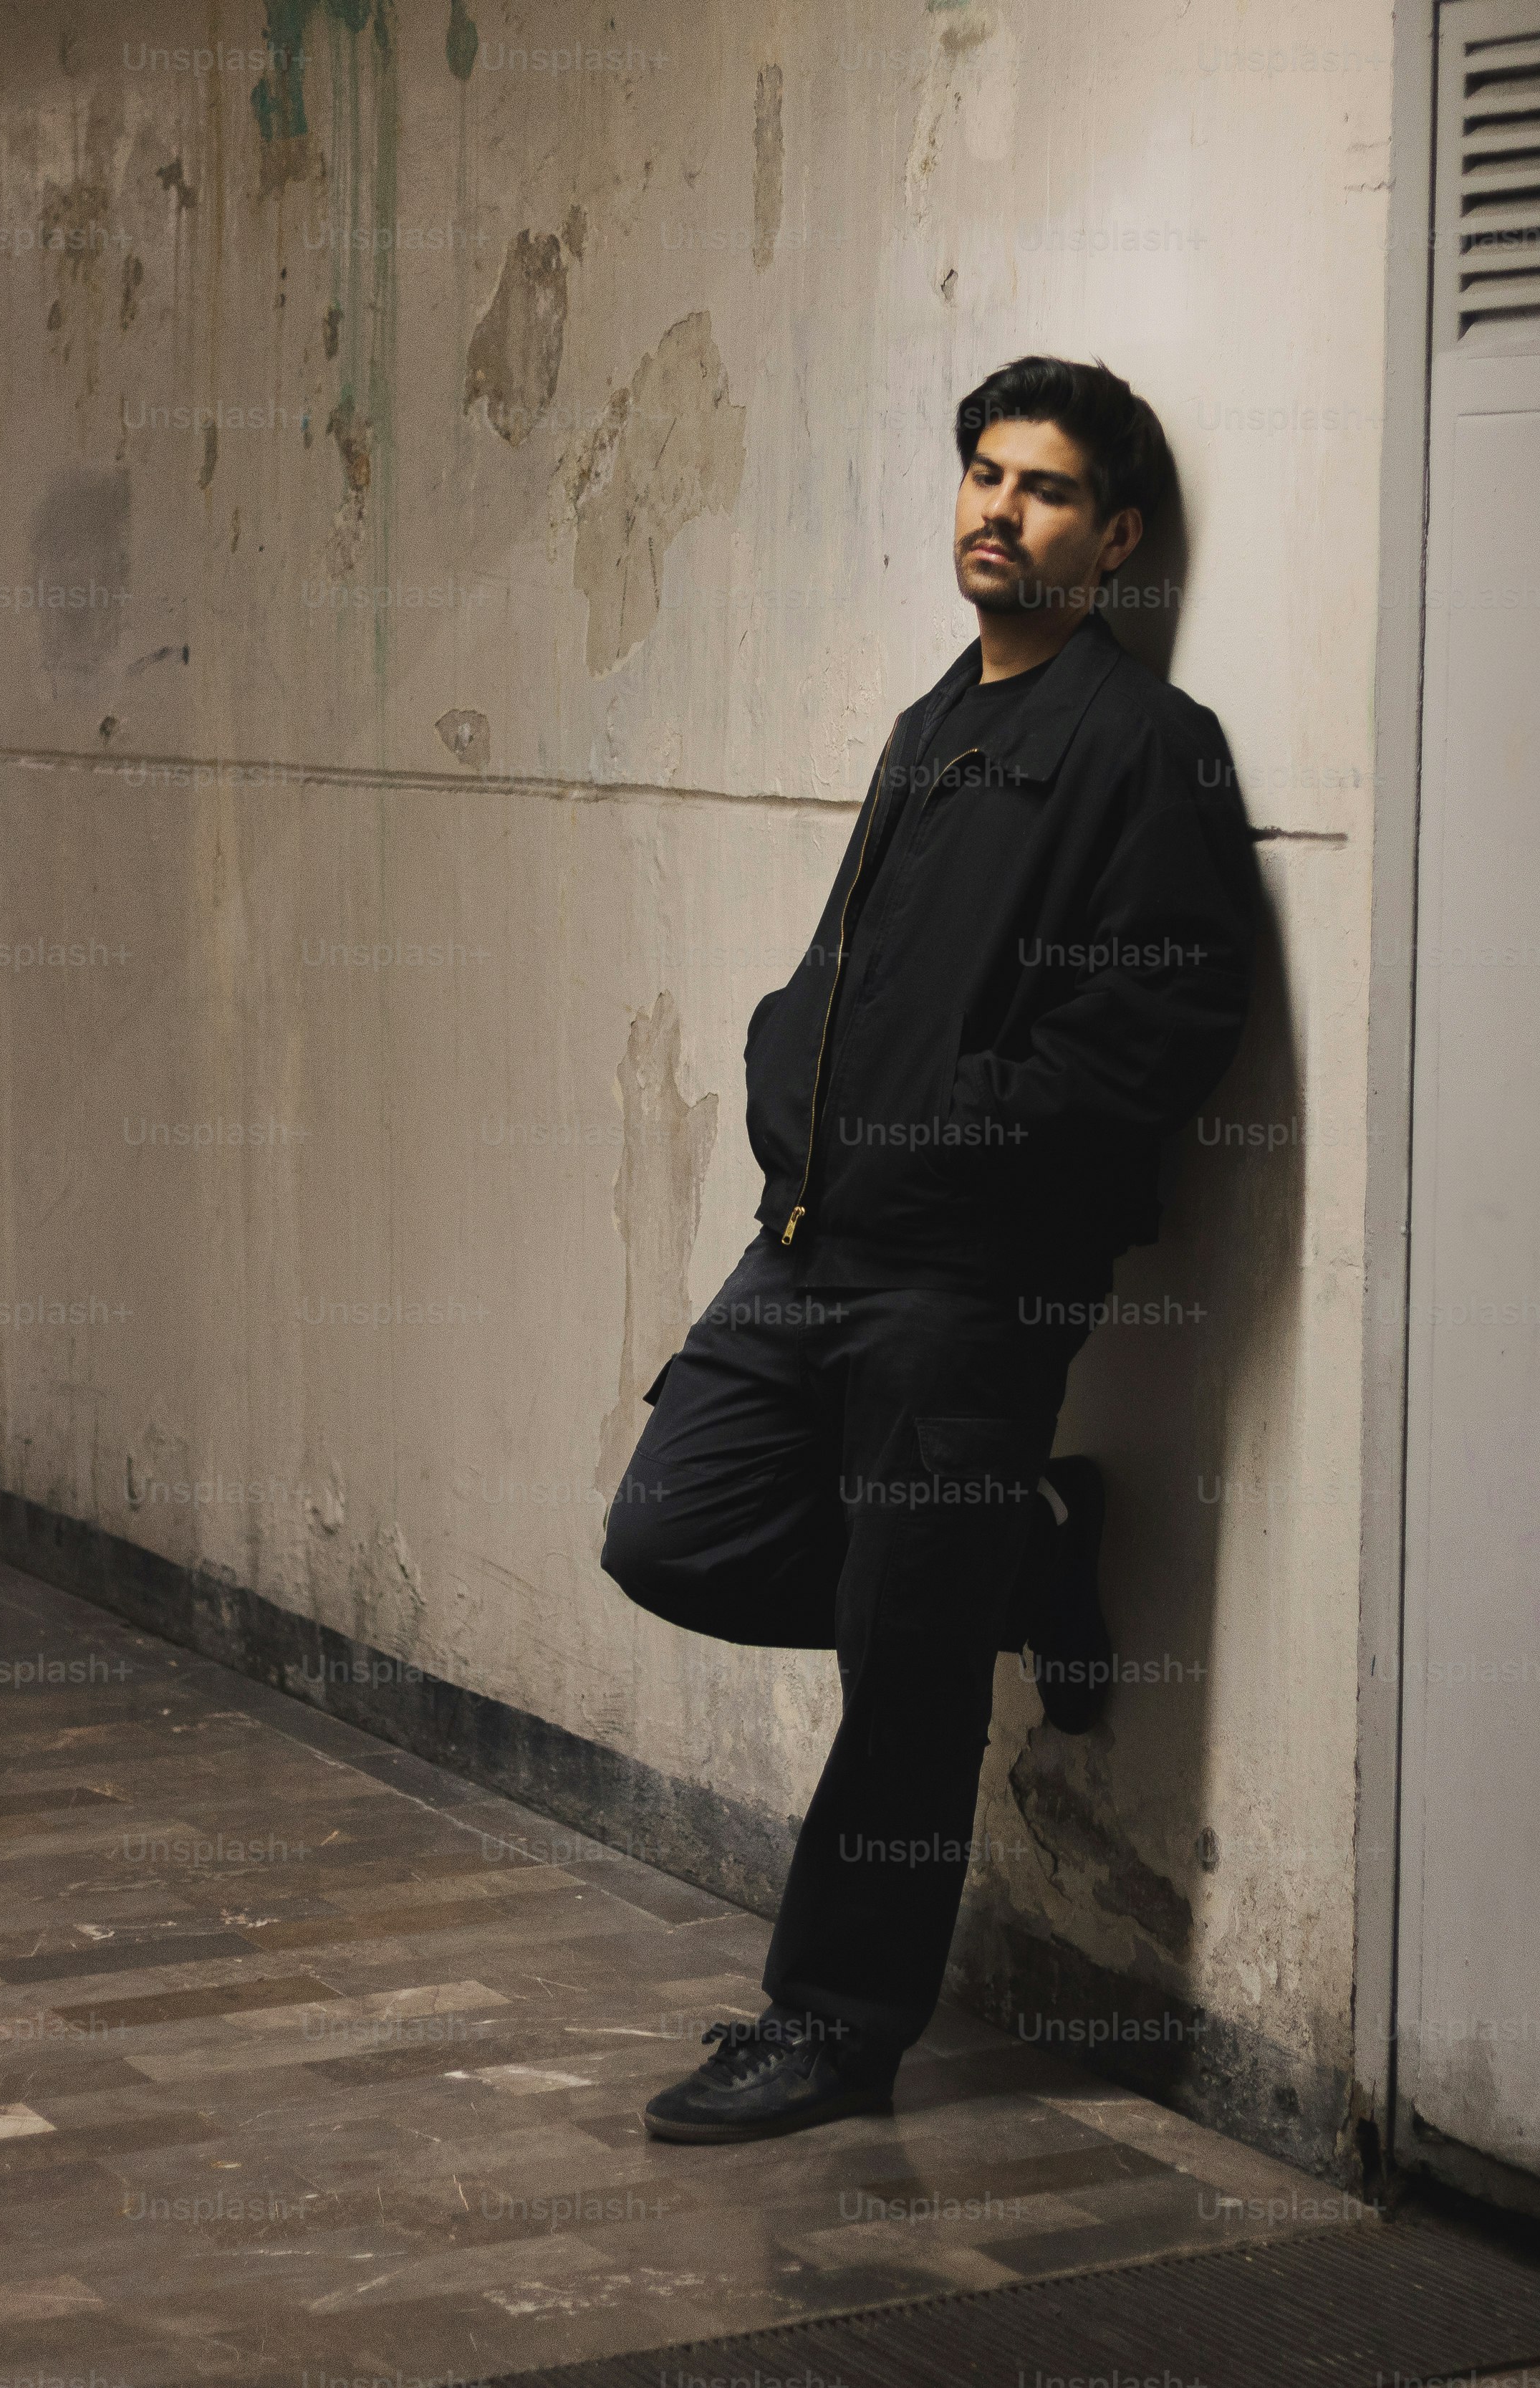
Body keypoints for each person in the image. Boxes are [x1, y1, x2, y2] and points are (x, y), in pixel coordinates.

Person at [599, 356, 1264, 2144]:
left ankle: (831, 2020)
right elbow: (836, 981)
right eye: (982, 474)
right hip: (810, 1242)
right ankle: (1022, 1572)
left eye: (1042, 490)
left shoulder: (1143, 748)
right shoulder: (932, 720)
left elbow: (1163, 1024)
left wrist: (956, 1139)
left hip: (958, 1287)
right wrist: (780, 1074)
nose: (997, 509)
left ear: (1112, 538)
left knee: (902, 1666)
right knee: (669, 1528)